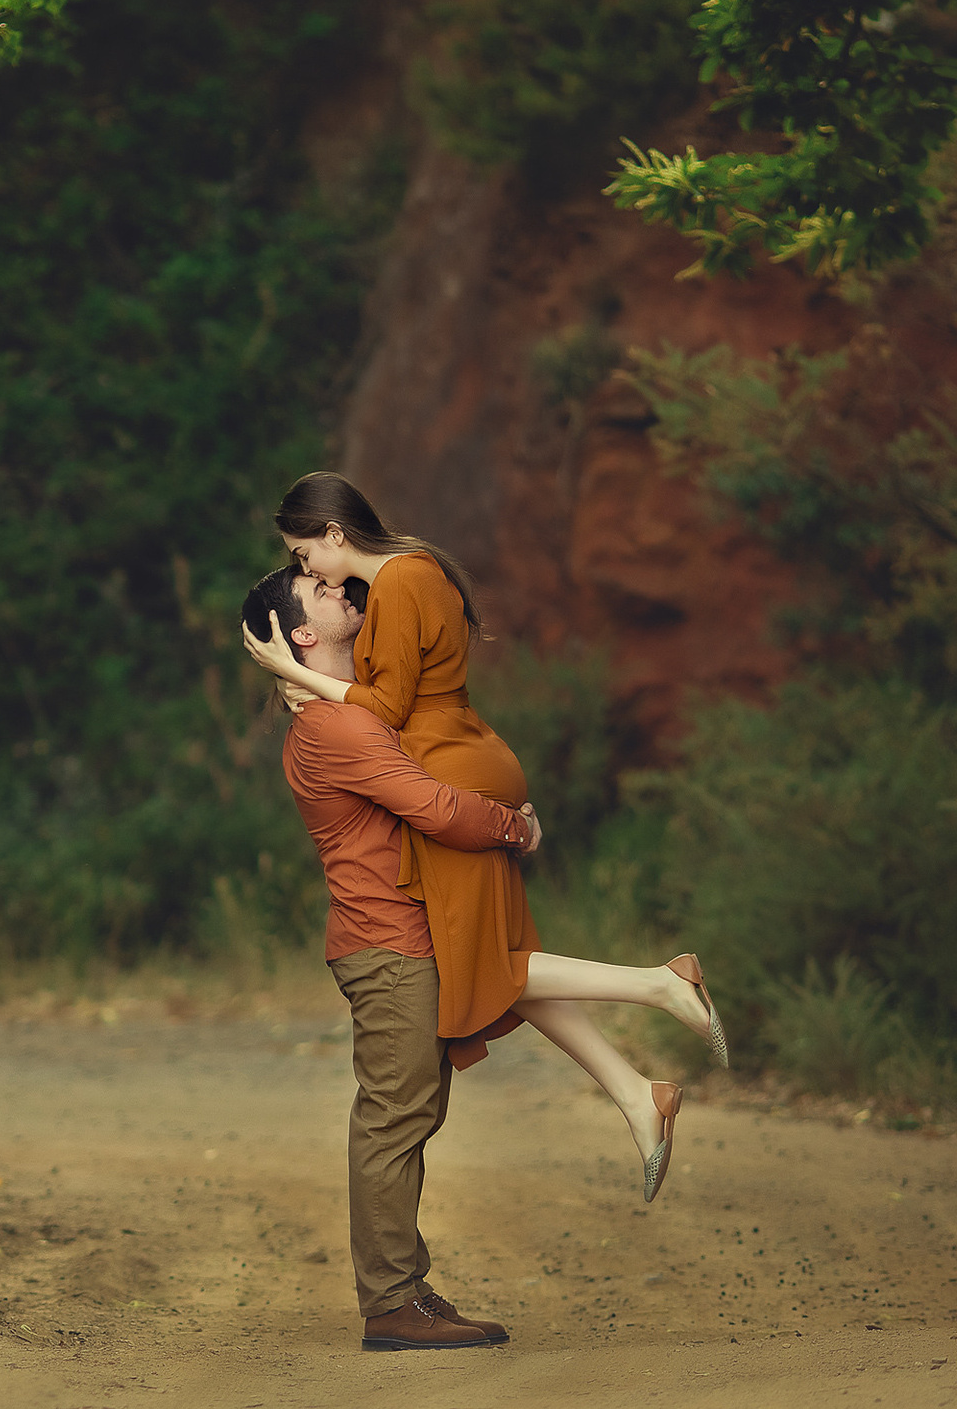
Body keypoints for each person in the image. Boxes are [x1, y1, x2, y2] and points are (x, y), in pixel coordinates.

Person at [242, 472, 723, 1205]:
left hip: (450, 769)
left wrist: (289, 671)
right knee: (496, 960)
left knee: (485, 965)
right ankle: (636, 1093)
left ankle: (661, 985)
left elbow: (385, 705)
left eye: (305, 554)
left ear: (335, 534)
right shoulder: (409, 576)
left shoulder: (401, 581)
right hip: (461, 754)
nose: (308, 569)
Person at [243, 565, 532, 1351]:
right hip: (389, 943)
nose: (338, 588)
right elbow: (436, 808)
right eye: (319, 592)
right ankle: (390, 1304)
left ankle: (406, 1285)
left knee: (412, 1113)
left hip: (401, 936)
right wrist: (513, 825)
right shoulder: (335, 726)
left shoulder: (351, 710)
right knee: (393, 1117)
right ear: (299, 635)